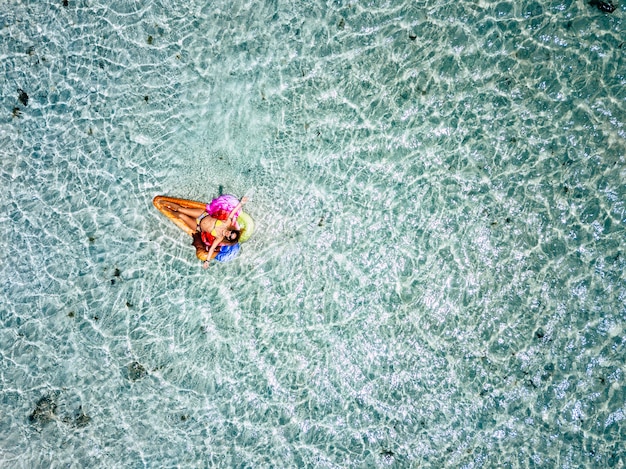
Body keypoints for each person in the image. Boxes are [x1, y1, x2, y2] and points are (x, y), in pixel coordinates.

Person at [163, 196, 249, 268]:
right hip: (202, 215)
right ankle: (164, 203)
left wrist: (207, 261)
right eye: (231, 233)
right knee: (180, 209)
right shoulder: (227, 223)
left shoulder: (219, 238)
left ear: (228, 239)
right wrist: (241, 203)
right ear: (231, 230)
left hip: (197, 226)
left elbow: (211, 249)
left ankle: (169, 211)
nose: (229, 234)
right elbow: (233, 212)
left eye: (230, 237)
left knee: (181, 216)